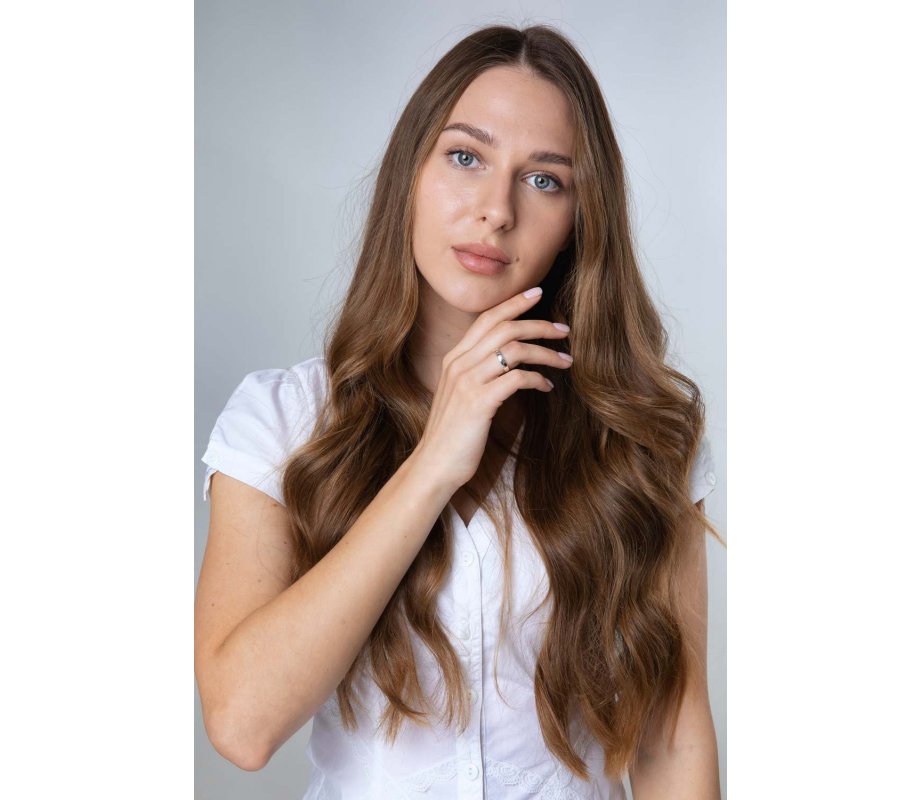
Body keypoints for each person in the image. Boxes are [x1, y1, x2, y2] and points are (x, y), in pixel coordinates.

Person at [195, 23, 722, 800]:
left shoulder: (641, 433)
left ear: (582, 219)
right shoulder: (281, 420)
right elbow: (242, 724)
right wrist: (434, 463)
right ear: (411, 172)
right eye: (466, 157)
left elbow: (671, 738)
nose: (496, 211)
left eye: (545, 179)